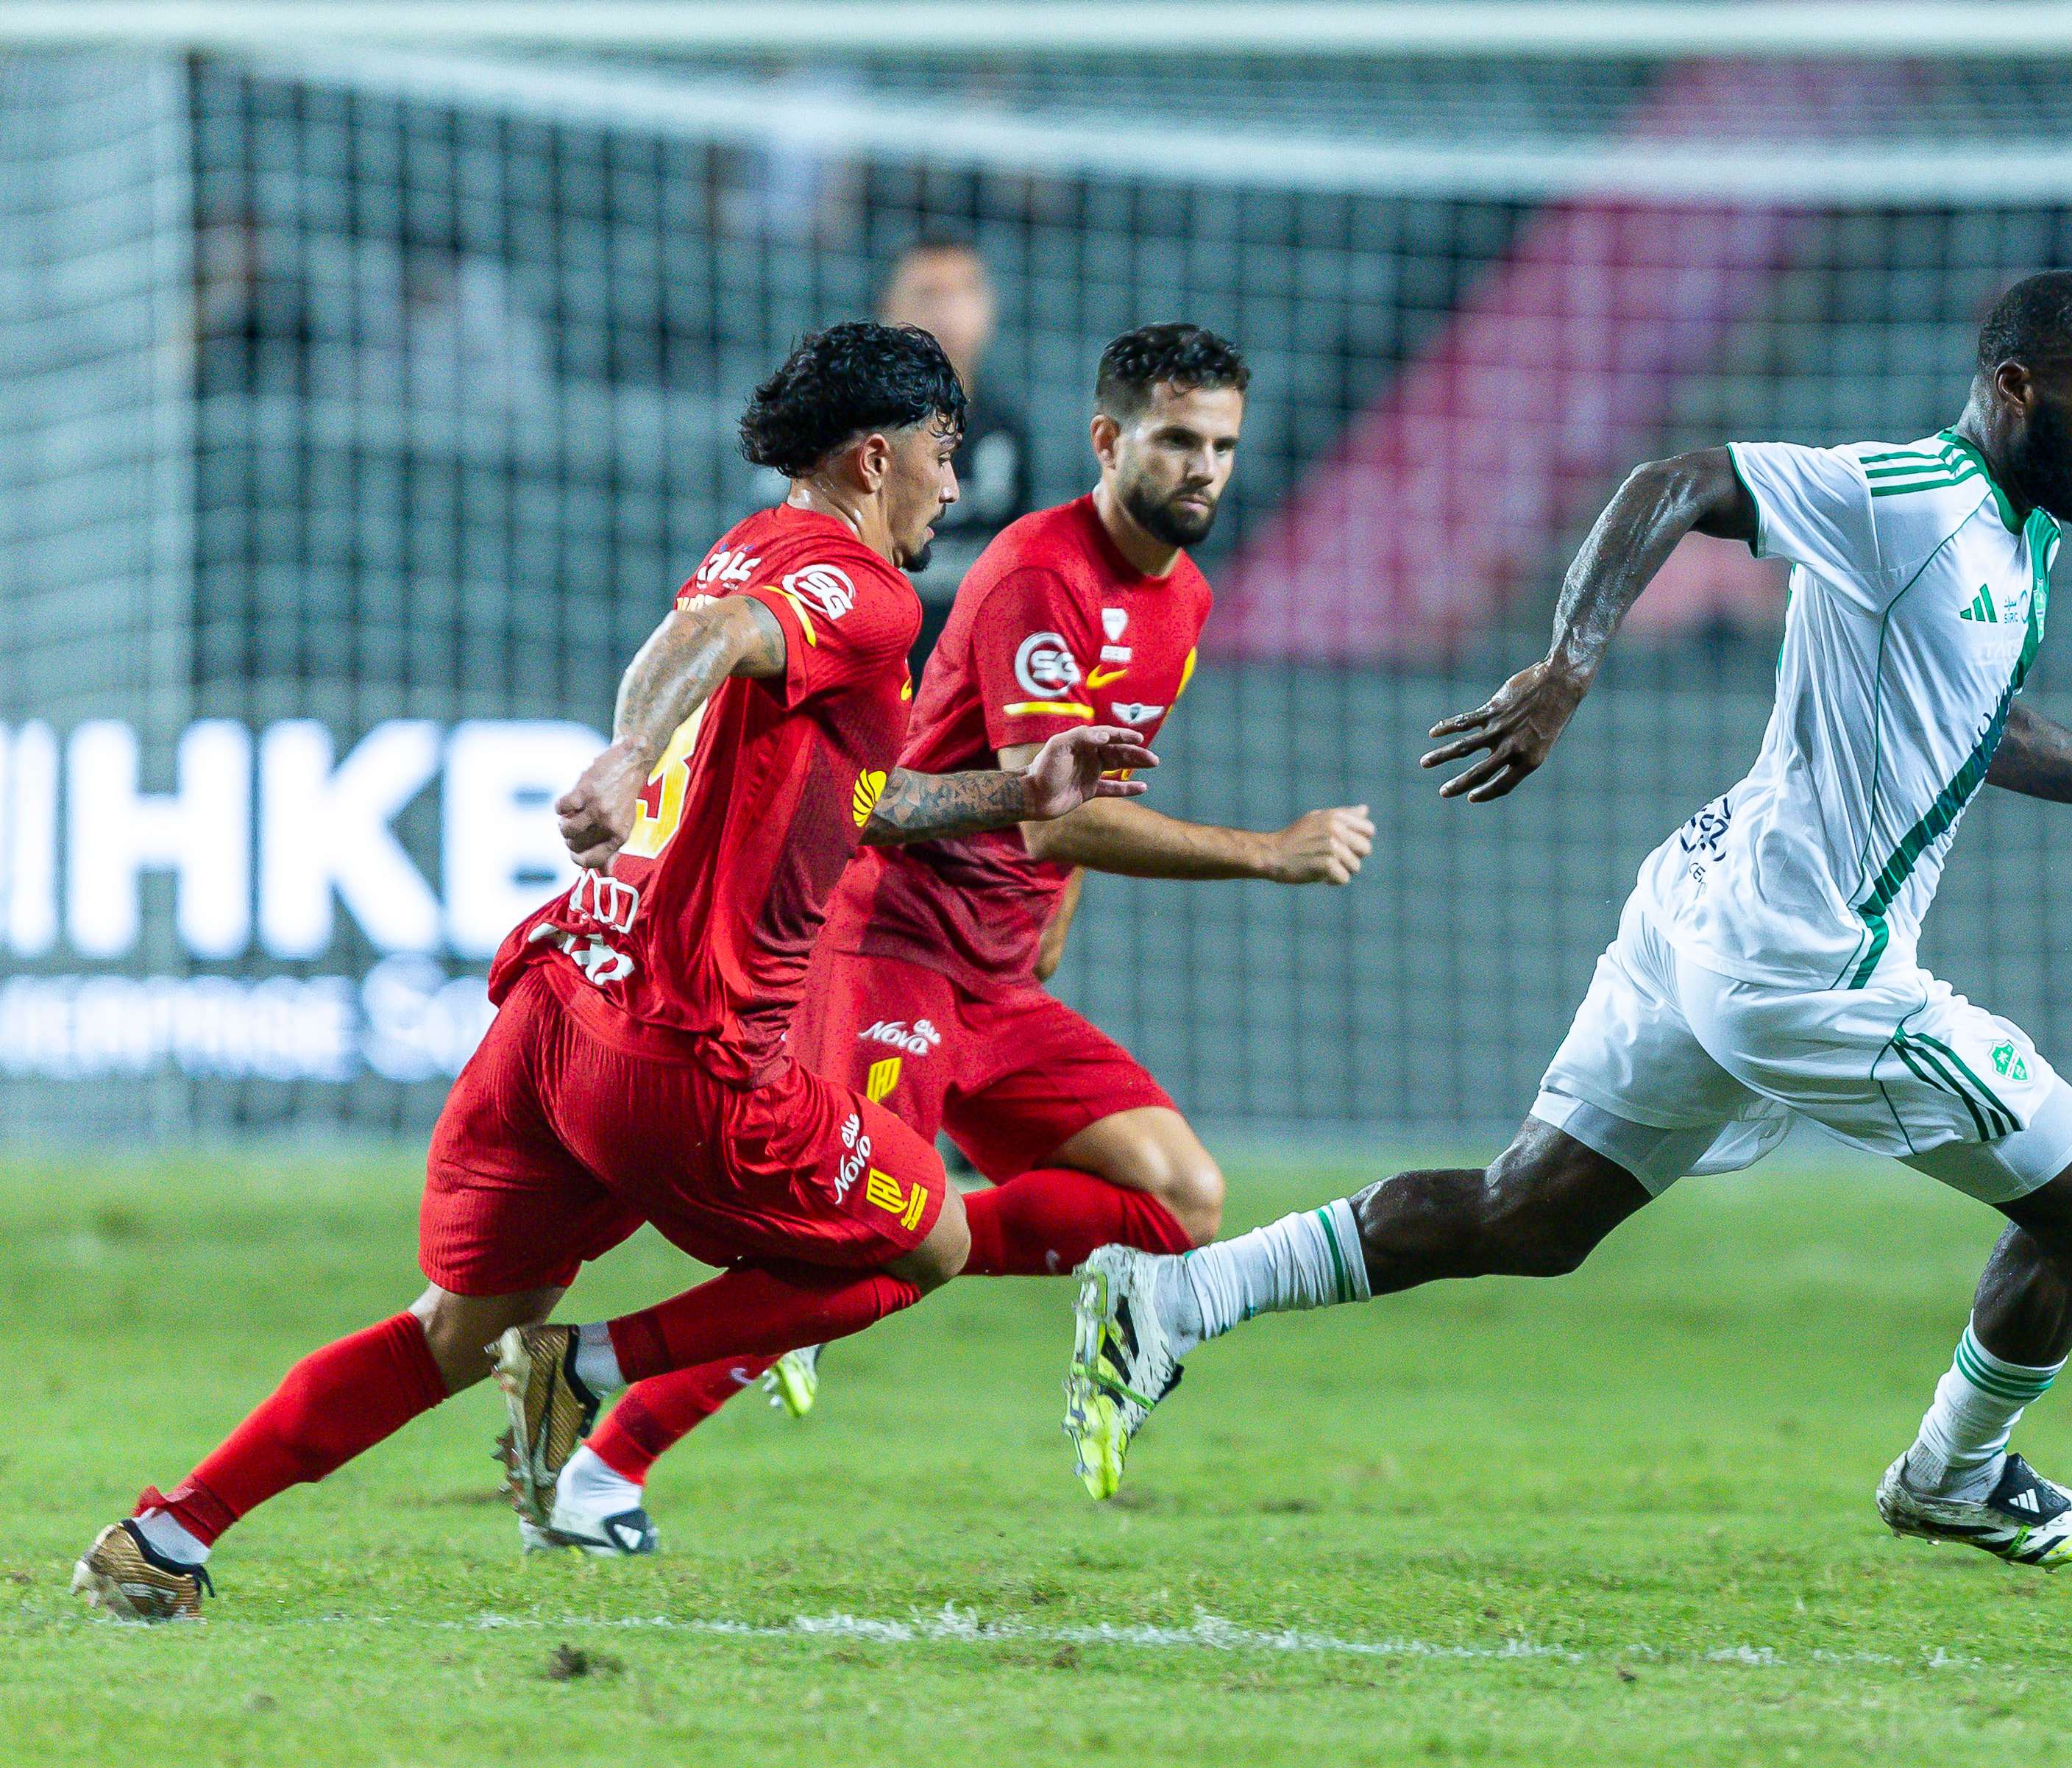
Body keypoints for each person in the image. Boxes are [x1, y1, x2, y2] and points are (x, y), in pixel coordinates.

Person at [1062, 272, 2072, 1566]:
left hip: (1712, 899)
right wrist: (1568, 665)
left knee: (1530, 1216)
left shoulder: (2019, 533)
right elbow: (1674, 480)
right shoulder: (1910, 498)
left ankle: (1174, 1297)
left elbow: (1973, 725)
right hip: (1803, 960)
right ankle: (1955, 1472)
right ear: (2014, 387)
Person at [71, 322, 1157, 1622]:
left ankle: (166, 1535)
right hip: (687, 1053)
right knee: (933, 1235)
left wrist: (1014, 787)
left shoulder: (758, 538)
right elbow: (714, 639)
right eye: (941, 452)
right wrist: (627, 753)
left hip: (557, 1010)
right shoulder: (854, 589)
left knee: (450, 1334)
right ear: (878, 456)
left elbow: (852, 791)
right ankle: (588, 1366)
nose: (952, 484)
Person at [527, 323, 1375, 1555]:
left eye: (1224, 446)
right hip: (894, 944)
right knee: (853, 1234)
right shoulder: (1041, 572)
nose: (1204, 468)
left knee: (1177, 1199)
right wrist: (1268, 850)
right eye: (1179, 439)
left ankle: (904, 1305)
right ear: (1108, 440)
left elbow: (1097, 775)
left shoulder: (1182, 596)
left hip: (996, 972)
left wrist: (1057, 914)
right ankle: (596, 1464)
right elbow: (1047, 813)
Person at [881, 237, 1032, 661]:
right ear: (888, 307)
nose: (947, 314)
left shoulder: (1005, 432)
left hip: (965, 679)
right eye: (928, 295)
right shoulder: (841, 430)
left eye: (966, 291)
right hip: (865, 674)